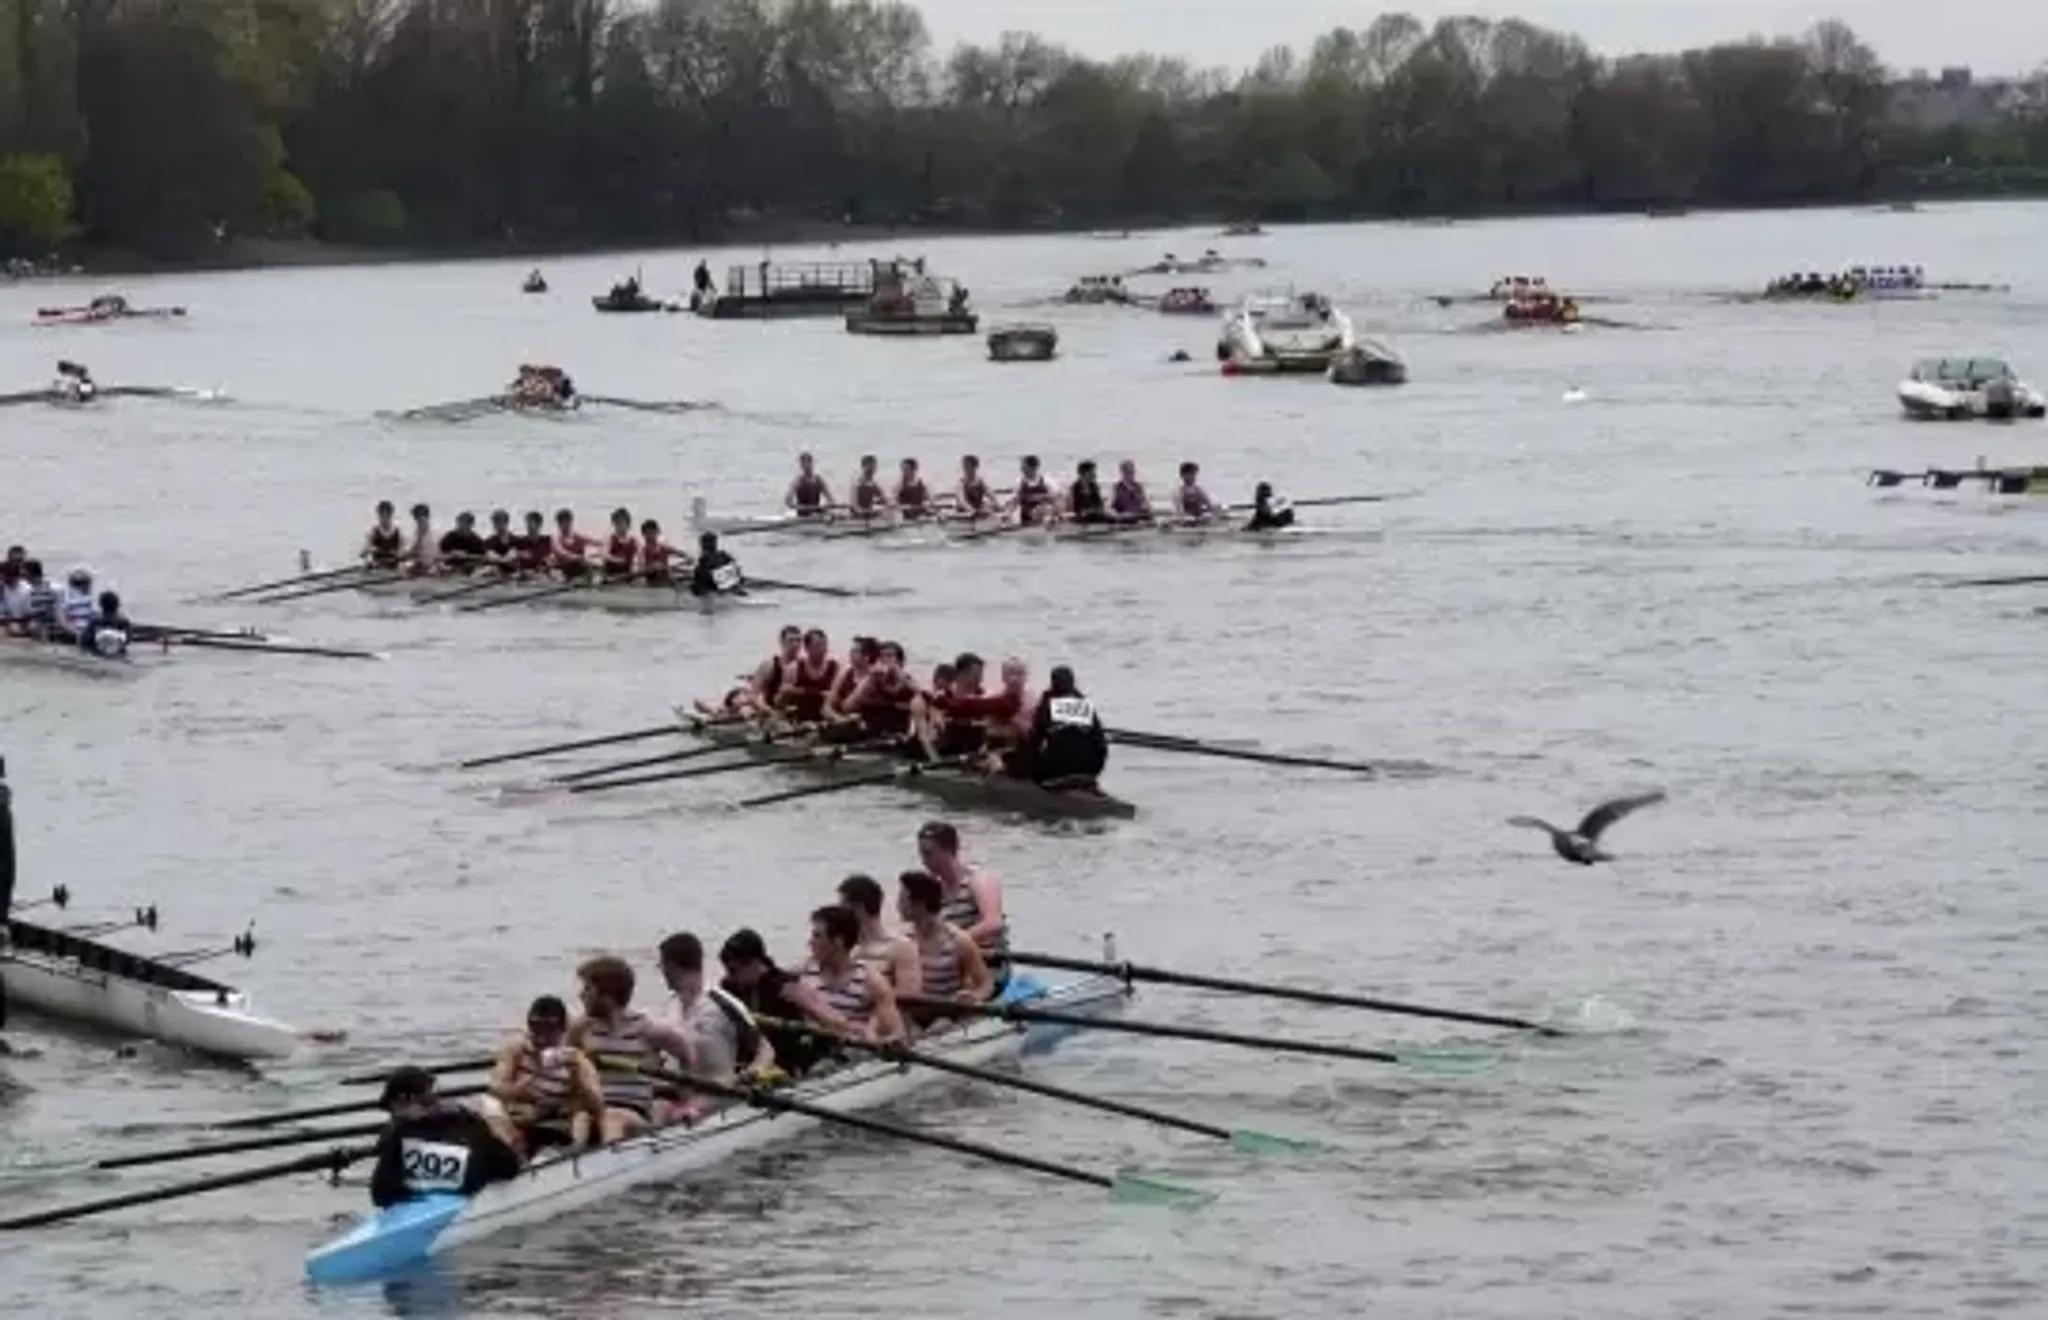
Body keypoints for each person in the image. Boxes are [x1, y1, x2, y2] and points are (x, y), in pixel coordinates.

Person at [563, 955, 698, 1142]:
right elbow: (566, 1071)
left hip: (634, 1114)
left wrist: (686, 1102)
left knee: (612, 1119)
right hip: (595, 1109)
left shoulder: (646, 1029)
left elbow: (687, 1055)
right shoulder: (581, 1030)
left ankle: (609, 1159)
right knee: (581, 1118)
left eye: (587, 989)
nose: (581, 995)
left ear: (606, 994)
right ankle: (573, 1158)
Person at [367, 1066, 525, 1209]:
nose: (392, 1116)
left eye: (392, 1109)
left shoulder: (395, 1135)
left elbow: (379, 1195)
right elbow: (510, 1167)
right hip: (468, 1189)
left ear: (406, 1100)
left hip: (416, 1200)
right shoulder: (466, 1119)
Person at [483, 995, 606, 1156]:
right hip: (522, 1110)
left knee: (582, 1116)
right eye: (535, 1027)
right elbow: (495, 1088)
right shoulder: (516, 1050)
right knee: (490, 1104)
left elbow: (598, 1106)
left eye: (549, 1030)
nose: (541, 1037)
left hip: (558, 1113)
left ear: (562, 1030)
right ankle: (512, 1149)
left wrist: (577, 1077)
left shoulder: (576, 1059)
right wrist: (518, 1090)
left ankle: (573, 1154)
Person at [718, 927, 842, 1077]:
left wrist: (810, 1009)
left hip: (785, 1060)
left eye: (733, 971)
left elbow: (833, 1022)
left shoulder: (786, 986)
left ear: (755, 963)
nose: (729, 977)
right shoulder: (729, 987)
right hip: (748, 1058)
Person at [658, 931, 773, 1085]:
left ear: (671, 967)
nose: (660, 970)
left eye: (661, 965)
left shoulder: (722, 1004)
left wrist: (753, 1073)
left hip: (719, 1095)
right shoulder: (671, 1005)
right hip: (681, 1092)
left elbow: (766, 1049)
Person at [915, 821, 1010, 991]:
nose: (923, 861)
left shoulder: (979, 881)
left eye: (928, 854)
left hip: (988, 964)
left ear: (949, 850)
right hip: (950, 966)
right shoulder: (934, 889)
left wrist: (952, 943)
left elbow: (993, 923)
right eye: (921, 854)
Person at [896, 869, 992, 1026]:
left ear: (920, 903)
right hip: (913, 1012)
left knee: (941, 1023)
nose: (898, 905)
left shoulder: (958, 941)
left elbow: (985, 983)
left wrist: (973, 996)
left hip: (945, 1013)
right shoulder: (903, 940)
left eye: (902, 899)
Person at [801, 904, 905, 1045]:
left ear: (838, 941)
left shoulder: (872, 981)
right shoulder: (802, 973)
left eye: (817, 936)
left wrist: (874, 1037)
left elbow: (896, 1034)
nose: (810, 942)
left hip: (852, 1054)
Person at [1022, 664, 1109, 786]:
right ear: (1073, 683)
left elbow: (1035, 739)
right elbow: (1101, 745)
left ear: (1052, 683)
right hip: (1089, 770)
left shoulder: (1047, 703)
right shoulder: (1084, 702)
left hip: (1058, 771)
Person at [835, 874, 920, 996]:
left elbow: (910, 995)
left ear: (859, 908)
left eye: (843, 907)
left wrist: (874, 997)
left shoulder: (901, 947)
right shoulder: (844, 948)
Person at [772, 628, 839, 722]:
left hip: (826, 716)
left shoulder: (835, 667)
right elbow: (779, 701)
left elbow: (838, 695)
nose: (824, 649)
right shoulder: (794, 668)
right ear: (807, 648)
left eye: (825, 644)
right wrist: (809, 692)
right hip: (800, 718)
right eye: (818, 645)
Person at [688, 531, 742, 598]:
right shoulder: (724, 555)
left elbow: (704, 575)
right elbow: (736, 568)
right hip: (728, 584)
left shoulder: (705, 558)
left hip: (713, 587)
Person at [78, 591, 130, 658]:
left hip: (97, 653)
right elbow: (128, 640)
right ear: (117, 605)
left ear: (101, 605)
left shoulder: (95, 620)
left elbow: (84, 640)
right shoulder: (124, 621)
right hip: (119, 653)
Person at [551, 509, 595, 580]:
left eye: (568, 521)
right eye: (563, 522)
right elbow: (561, 552)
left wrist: (605, 545)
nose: (566, 524)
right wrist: (576, 557)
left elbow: (593, 541)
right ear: (558, 524)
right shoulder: (556, 538)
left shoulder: (576, 535)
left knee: (589, 564)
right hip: (563, 568)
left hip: (579, 566)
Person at [54, 567, 96, 641]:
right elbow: (61, 620)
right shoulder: (64, 597)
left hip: (88, 632)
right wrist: (76, 633)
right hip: (73, 633)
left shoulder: (89, 599)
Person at [786, 453, 833, 517]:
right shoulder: (798, 481)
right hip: (802, 515)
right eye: (803, 464)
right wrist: (798, 507)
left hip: (816, 513)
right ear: (801, 466)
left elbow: (830, 499)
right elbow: (788, 501)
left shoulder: (818, 480)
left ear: (811, 463)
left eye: (807, 463)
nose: (806, 466)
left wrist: (826, 506)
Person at [1011, 456, 1053, 525]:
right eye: (1022, 467)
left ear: (1033, 468)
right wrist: (1008, 513)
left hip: (1042, 514)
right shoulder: (1020, 483)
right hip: (1026, 518)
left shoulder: (1046, 481)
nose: (1021, 469)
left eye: (1024, 467)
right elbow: (1015, 500)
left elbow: (1053, 499)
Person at [362, 501, 404, 569]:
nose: (384, 519)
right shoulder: (373, 532)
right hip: (377, 564)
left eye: (387, 515)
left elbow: (402, 551)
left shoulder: (399, 532)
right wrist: (367, 552)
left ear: (391, 515)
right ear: (378, 515)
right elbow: (364, 550)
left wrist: (398, 555)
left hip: (393, 566)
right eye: (381, 515)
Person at [601, 508, 639, 580]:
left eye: (621, 522)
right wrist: (616, 559)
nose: (619, 525)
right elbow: (604, 554)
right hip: (610, 574)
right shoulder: (610, 539)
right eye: (616, 523)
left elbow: (639, 557)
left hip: (627, 574)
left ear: (628, 524)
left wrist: (636, 566)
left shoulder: (634, 541)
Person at [639, 519, 680, 585]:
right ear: (644, 535)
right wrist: (650, 568)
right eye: (648, 533)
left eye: (652, 533)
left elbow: (680, 553)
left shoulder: (664, 548)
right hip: (651, 581)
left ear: (657, 533)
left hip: (665, 578)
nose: (650, 536)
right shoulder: (643, 551)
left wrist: (688, 558)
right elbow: (640, 566)